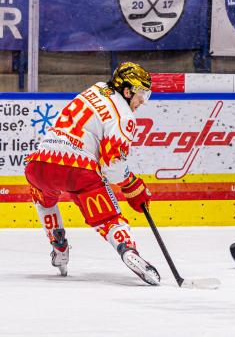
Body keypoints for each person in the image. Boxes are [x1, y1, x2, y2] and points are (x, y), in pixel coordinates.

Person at [24, 63, 160, 286]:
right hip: (78, 168)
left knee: (44, 200)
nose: (142, 100)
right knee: (107, 218)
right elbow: (112, 166)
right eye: (141, 93)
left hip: (40, 160)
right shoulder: (125, 118)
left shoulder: (96, 89)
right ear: (126, 91)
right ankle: (127, 250)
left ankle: (58, 246)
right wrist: (133, 186)